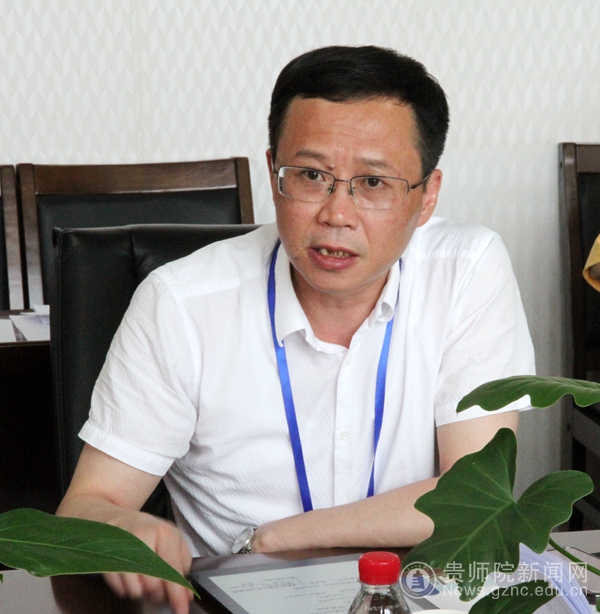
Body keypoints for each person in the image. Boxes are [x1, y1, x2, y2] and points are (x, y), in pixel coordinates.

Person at [57, 45, 535, 614]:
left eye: (373, 182)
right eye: (311, 175)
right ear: (272, 173)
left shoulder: (466, 270)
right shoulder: (181, 303)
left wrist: (277, 536)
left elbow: (475, 498)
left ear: (427, 195)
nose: (337, 214)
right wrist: (120, 524)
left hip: (417, 599)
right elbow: (87, 506)